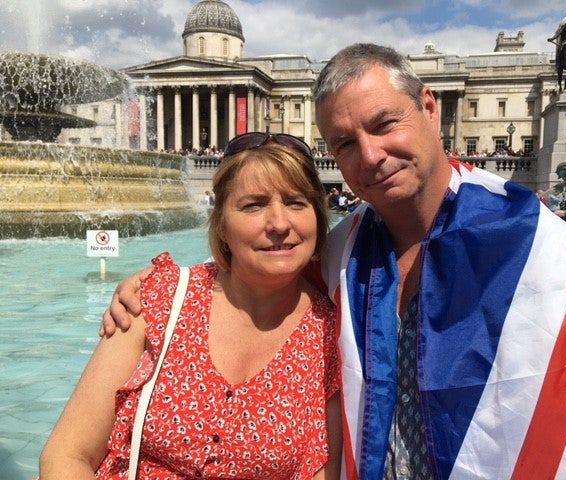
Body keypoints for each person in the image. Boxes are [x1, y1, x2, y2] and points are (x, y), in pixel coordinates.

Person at [103, 44, 566, 479]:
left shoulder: (529, 236)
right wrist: (161, 283)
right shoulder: (343, 247)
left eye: (385, 124)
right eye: (344, 143)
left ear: (430, 107)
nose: (371, 155)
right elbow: (259, 269)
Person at [40, 134, 342, 479]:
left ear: (318, 217)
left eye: (295, 202)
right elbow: (67, 455)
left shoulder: (331, 334)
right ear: (222, 225)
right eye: (253, 205)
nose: (278, 224)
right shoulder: (157, 298)